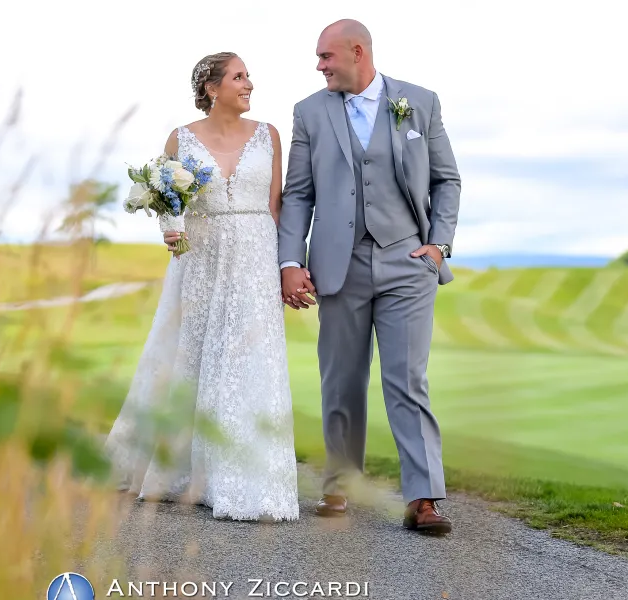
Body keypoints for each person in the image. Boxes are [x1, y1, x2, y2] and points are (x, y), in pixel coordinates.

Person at [277, 19, 461, 534]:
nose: (319, 66)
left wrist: (439, 248)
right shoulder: (309, 112)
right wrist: (290, 263)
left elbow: (447, 180)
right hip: (339, 264)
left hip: (409, 260)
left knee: (407, 380)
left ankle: (423, 497)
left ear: (356, 52)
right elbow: (298, 194)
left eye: (325, 57)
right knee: (341, 380)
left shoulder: (420, 101)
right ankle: (339, 486)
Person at [103, 52, 300, 522]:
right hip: (200, 260)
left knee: (251, 362)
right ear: (212, 88)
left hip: (254, 259)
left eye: (248, 75)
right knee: (186, 356)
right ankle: (177, 472)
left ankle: (252, 481)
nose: (249, 83)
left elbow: (277, 206)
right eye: (239, 76)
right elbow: (167, 204)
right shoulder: (181, 138)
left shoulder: (269, 135)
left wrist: (287, 266)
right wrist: (169, 229)